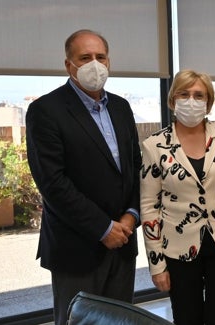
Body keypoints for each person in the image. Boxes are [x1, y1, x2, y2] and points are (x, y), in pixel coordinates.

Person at [25, 29, 141, 325]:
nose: (94, 64)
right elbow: (53, 182)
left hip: (123, 244)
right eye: (85, 57)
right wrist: (103, 228)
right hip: (77, 248)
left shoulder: (121, 107)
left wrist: (130, 215)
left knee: (120, 321)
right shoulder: (45, 110)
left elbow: (134, 169)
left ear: (109, 62)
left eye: (100, 57)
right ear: (69, 65)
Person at [140, 69, 215, 325]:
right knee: (187, 317)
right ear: (173, 100)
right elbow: (149, 207)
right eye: (184, 94)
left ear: (208, 102)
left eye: (198, 95)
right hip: (178, 247)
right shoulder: (154, 145)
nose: (191, 101)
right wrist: (156, 264)